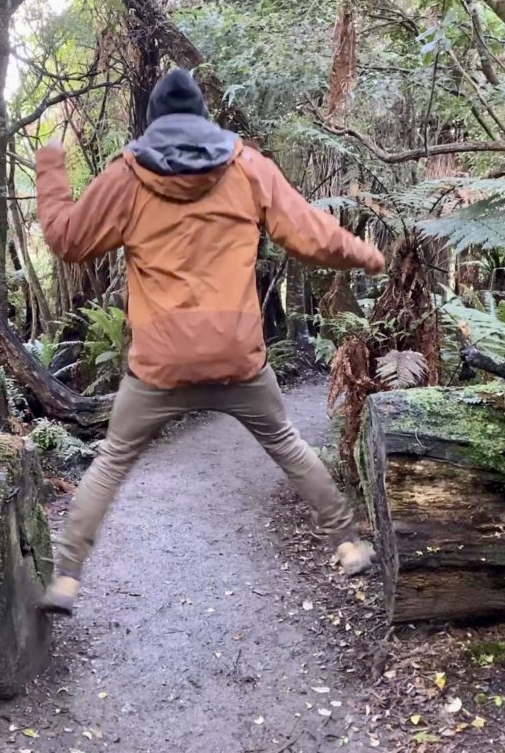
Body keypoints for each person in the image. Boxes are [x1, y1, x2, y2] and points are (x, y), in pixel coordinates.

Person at [34, 68, 384, 616]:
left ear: (153, 122)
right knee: (288, 445)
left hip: (158, 365)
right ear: (203, 117)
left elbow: (67, 240)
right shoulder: (246, 166)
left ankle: (67, 579)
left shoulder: (128, 175)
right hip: (237, 357)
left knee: (110, 461)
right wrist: (367, 253)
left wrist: (51, 168)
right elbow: (311, 235)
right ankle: (346, 540)